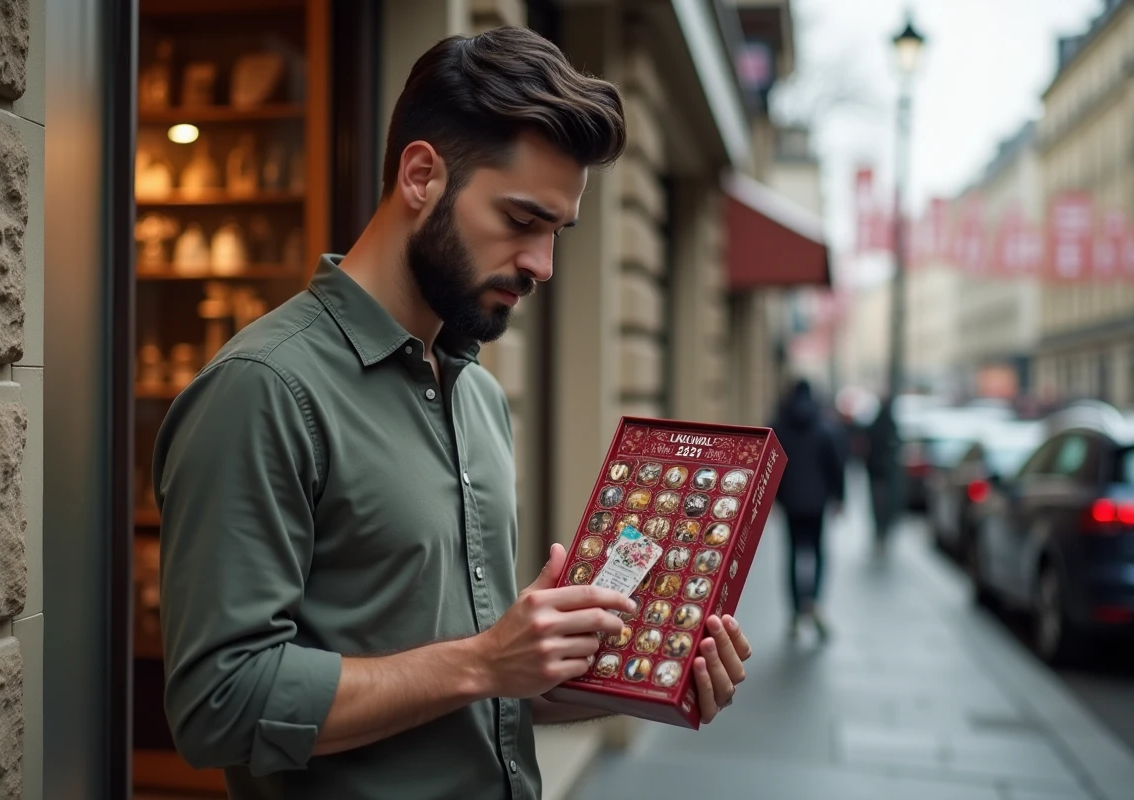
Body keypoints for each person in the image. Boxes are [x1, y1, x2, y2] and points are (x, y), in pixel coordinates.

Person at [152, 26, 752, 800]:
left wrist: (655, 678)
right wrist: (483, 660)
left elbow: (482, 693)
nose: (542, 265)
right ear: (421, 176)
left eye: (557, 232)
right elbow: (217, 705)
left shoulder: (476, 395)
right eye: (521, 220)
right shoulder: (263, 389)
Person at [769, 379, 845, 639]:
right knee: (818, 553)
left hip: (791, 502)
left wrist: (774, 499)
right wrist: (839, 497)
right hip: (816, 503)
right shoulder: (823, 427)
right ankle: (813, 602)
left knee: (792, 554)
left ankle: (793, 612)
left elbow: (772, 466)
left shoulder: (780, 427)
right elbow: (835, 465)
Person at [864, 393, 899, 551]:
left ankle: (880, 532)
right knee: (885, 506)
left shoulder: (876, 425)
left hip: (877, 474)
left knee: (878, 506)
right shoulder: (891, 425)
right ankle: (882, 532)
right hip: (885, 474)